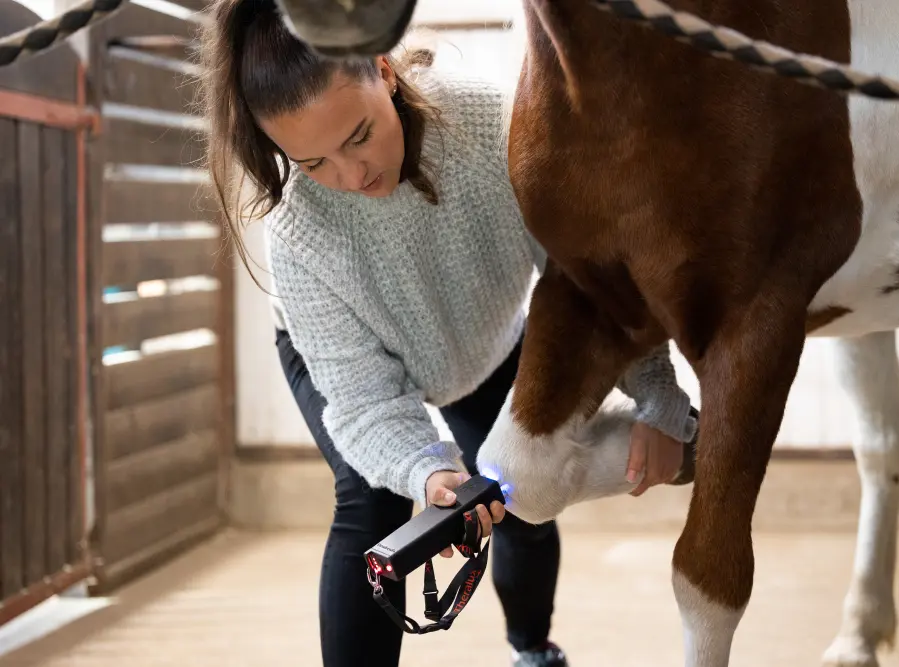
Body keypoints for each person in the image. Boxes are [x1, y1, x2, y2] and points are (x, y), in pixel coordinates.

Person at [198, 1, 699, 665]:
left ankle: (531, 648)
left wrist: (657, 391)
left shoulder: (493, 122)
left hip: (480, 333)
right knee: (371, 500)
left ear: (385, 71)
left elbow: (589, 272)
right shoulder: (300, 236)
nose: (352, 177)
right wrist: (425, 468)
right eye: (313, 163)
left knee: (516, 488)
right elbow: (366, 400)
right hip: (349, 362)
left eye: (357, 136)